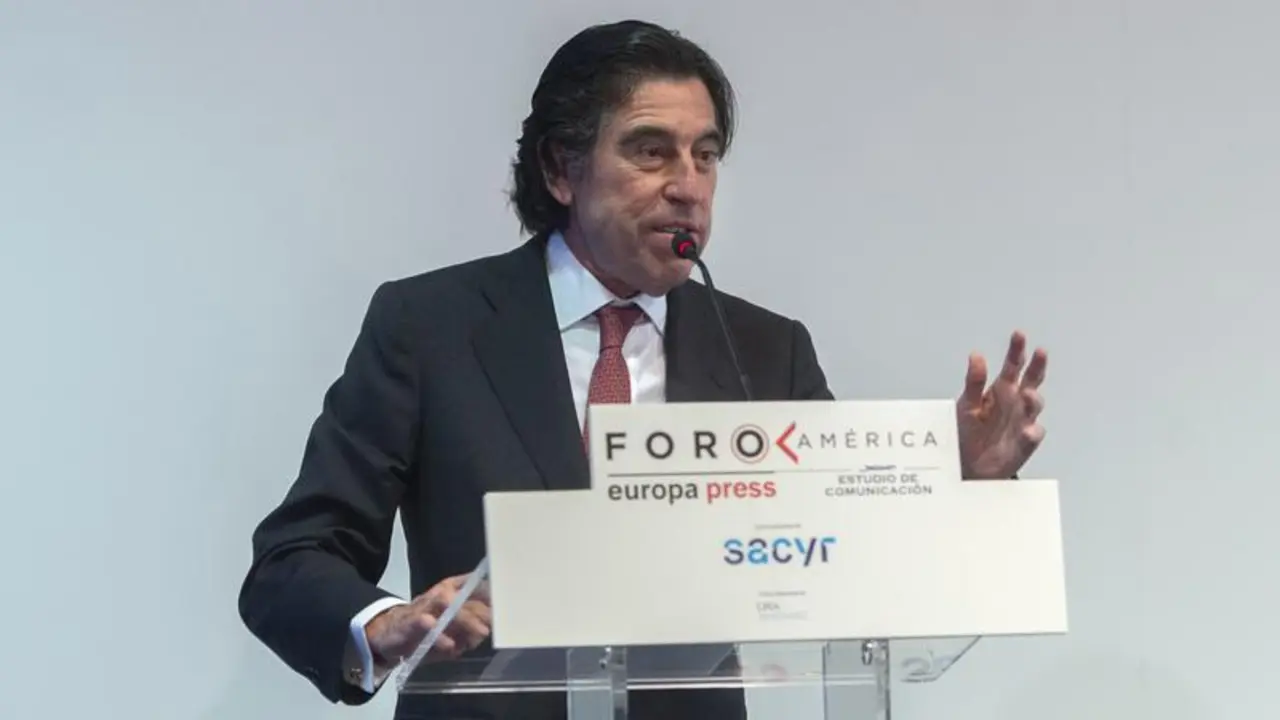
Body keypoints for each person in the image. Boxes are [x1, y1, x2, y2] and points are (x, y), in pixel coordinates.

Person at [237, 18, 1048, 720]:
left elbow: (851, 554)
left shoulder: (764, 351)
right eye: (651, 151)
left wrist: (965, 484)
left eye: (706, 156)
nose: (687, 187)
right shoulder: (431, 328)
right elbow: (294, 559)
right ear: (560, 170)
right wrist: (383, 623)